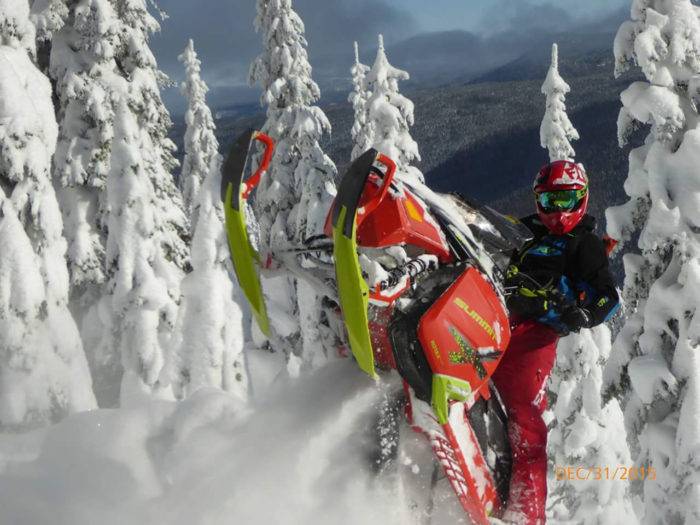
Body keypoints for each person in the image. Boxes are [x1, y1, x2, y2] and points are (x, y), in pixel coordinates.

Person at [492, 160, 620, 524]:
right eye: (550, 202)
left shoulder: (584, 242)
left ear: (581, 200)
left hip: (536, 332)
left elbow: (607, 295)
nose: (558, 212)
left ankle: (526, 512)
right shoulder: (526, 232)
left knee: (522, 410)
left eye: (566, 202)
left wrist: (584, 314)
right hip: (496, 314)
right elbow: (491, 234)